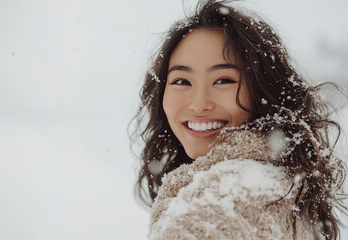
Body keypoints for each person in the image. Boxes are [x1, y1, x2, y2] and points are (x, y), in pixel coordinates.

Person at [130, 0, 347, 239]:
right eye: (181, 81)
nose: (199, 103)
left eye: (223, 80)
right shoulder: (283, 182)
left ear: (261, 91)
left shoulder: (217, 205)